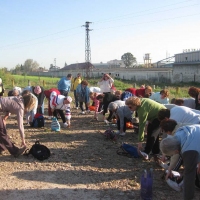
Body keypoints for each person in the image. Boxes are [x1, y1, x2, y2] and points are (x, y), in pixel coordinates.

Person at [160, 124, 200, 200]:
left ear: (176, 151)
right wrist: (170, 169)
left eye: (172, 153)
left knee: (190, 175)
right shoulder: (177, 136)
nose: (173, 155)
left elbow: (189, 176)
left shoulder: (189, 151)